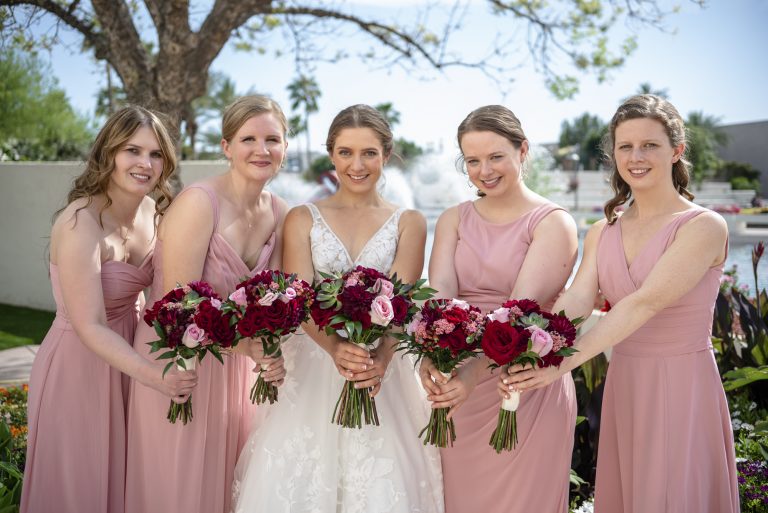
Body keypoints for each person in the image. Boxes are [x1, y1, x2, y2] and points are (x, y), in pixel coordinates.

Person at [503, 94, 739, 512]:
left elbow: (643, 304)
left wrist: (562, 363)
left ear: (676, 151)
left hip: (682, 382)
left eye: (649, 145)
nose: (636, 156)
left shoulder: (703, 226)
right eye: (625, 146)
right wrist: (531, 347)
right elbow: (577, 298)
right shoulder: (602, 230)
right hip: (626, 380)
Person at [232, 104, 444, 512]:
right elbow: (301, 298)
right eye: (346, 152)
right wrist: (333, 348)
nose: (357, 164)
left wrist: (380, 357)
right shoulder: (301, 218)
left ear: (386, 154)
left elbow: (398, 304)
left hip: (381, 372)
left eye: (369, 153)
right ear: (331, 155)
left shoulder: (409, 222)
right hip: (314, 360)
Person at [21, 106, 198, 513]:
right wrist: (155, 375)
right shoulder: (79, 221)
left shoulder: (155, 214)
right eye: (132, 150)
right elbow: (89, 325)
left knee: (126, 481)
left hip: (132, 357)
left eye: (156, 154)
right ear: (109, 152)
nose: (145, 163)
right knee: (79, 486)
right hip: (78, 365)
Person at [125, 95, 289, 513]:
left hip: (241, 373)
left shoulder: (283, 213)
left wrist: (270, 349)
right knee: (179, 490)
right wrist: (247, 346)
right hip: (180, 365)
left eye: (273, 138)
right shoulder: (200, 203)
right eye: (248, 138)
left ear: (286, 147)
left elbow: (282, 300)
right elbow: (176, 308)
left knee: (232, 489)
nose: (262, 149)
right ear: (226, 146)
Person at [419, 105, 579, 512]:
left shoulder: (551, 223)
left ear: (522, 150)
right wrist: (429, 355)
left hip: (521, 385)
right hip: (458, 392)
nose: (484, 170)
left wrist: (473, 373)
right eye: (472, 160)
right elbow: (440, 299)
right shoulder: (453, 219)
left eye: (495, 157)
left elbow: (518, 315)